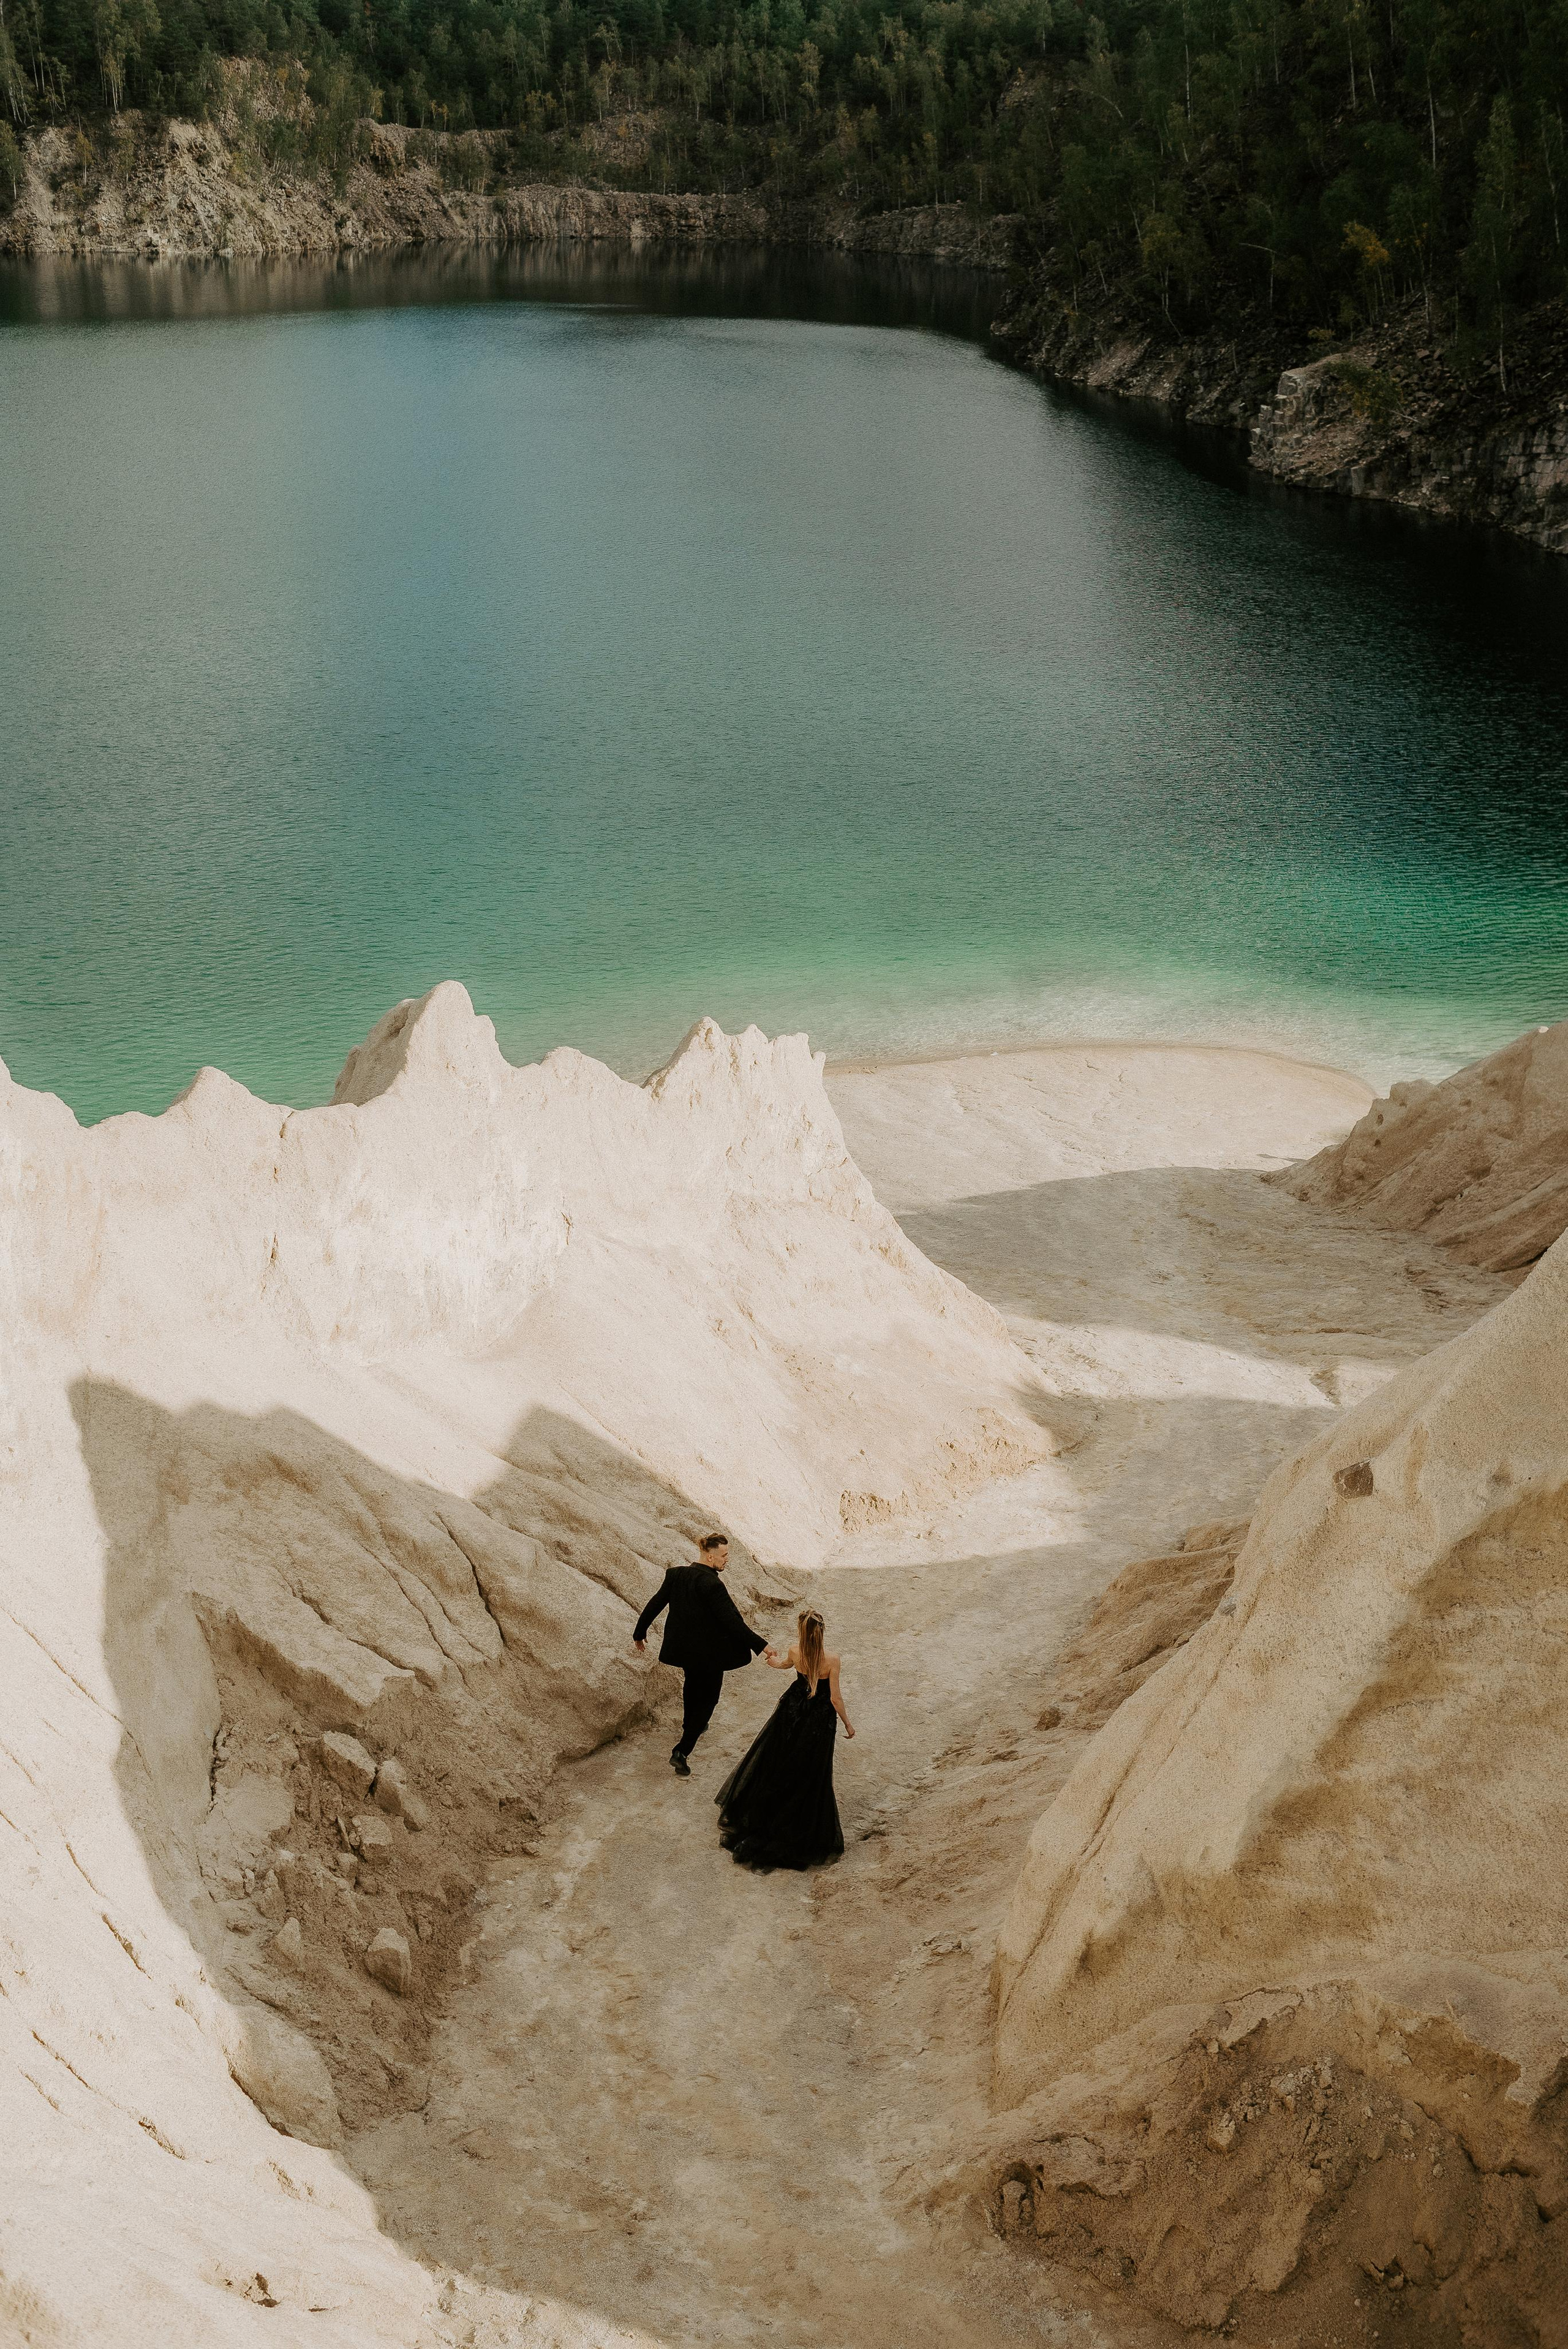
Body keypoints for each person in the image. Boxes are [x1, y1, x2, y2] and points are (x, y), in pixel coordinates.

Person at [714, 1606, 853, 1870]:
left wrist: (771, 1661)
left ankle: (769, 1814)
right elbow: (835, 1698)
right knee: (812, 1770)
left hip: (792, 1711)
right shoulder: (832, 1660)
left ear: (801, 1632)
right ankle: (803, 1820)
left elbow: (783, 1665)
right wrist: (847, 1723)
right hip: (818, 1720)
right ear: (822, 1633)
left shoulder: (794, 1651)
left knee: (780, 1760)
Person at [632, 1532, 767, 1776]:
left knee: (692, 1688)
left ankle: (690, 1726)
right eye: (724, 1555)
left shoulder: (676, 1575)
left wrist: (639, 1632)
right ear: (709, 1555)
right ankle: (682, 1751)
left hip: (686, 1652)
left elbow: (656, 1603)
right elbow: (732, 1623)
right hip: (710, 1655)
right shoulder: (713, 1584)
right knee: (709, 1699)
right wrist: (762, 1646)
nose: (727, 1560)